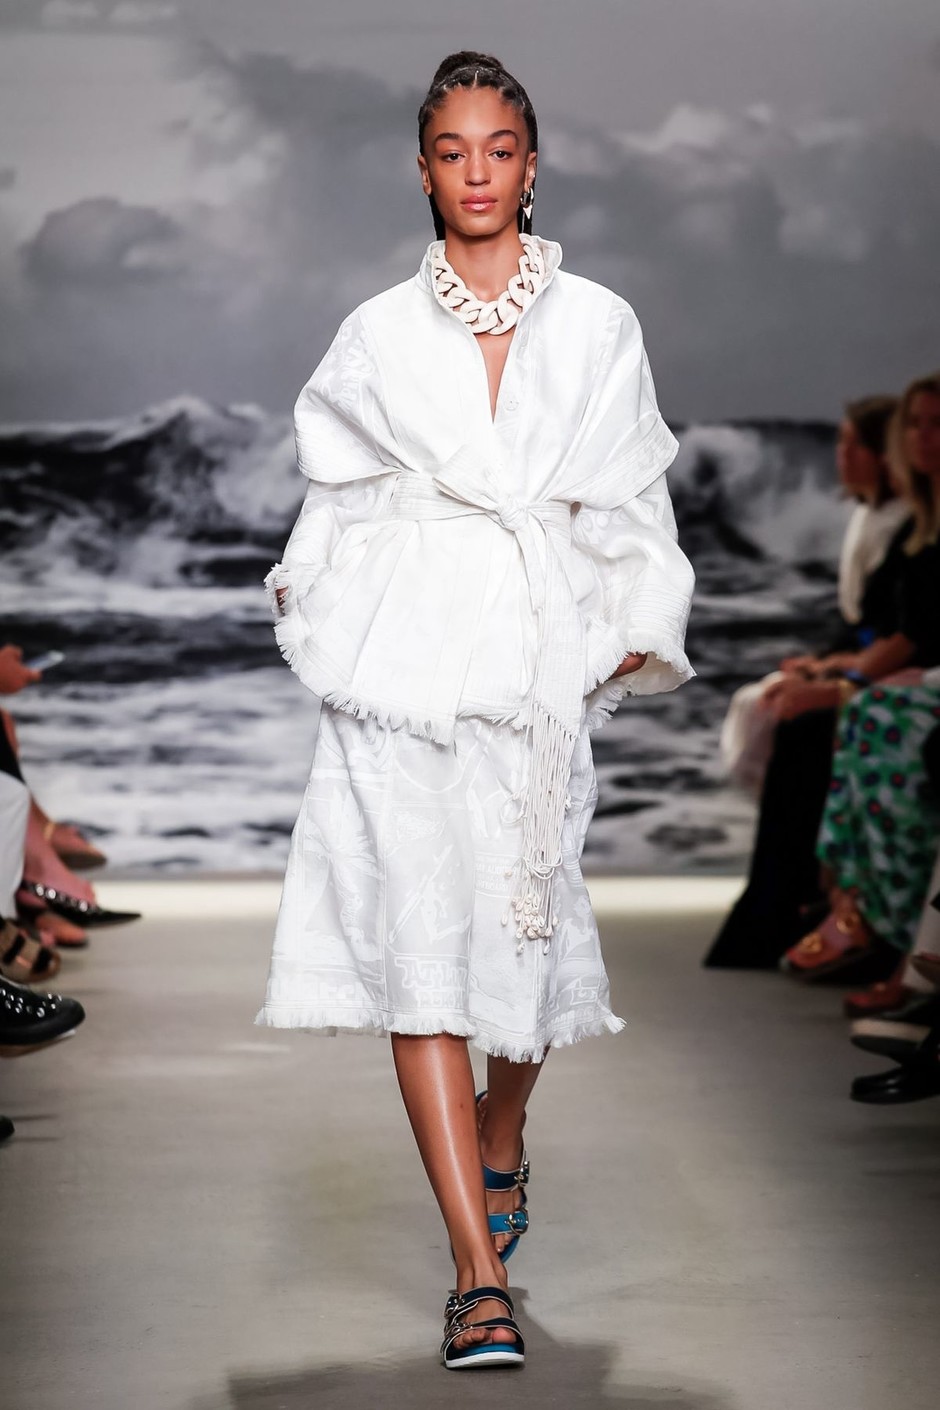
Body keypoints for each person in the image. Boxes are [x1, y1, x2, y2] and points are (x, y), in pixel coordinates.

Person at [255, 52, 694, 1370]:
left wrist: (635, 619)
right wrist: (308, 594)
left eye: (499, 148)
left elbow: (631, 494)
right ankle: (474, 1272)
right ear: (424, 170)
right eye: (452, 151)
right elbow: (336, 494)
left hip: (533, 672)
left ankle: (503, 1131)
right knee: (422, 952)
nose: (478, 172)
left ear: (532, 163)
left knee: (528, 943)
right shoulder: (378, 332)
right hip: (400, 668)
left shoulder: (599, 324)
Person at [705, 373, 940, 972]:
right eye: (913, 425)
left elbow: (909, 635)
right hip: (895, 674)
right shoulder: (914, 524)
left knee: (821, 724)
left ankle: (859, 915)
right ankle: (824, 903)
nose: (921, 439)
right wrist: (834, 669)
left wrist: (842, 682)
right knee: (790, 711)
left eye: (854, 444)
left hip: (912, 681)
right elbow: (887, 628)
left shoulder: (910, 526)